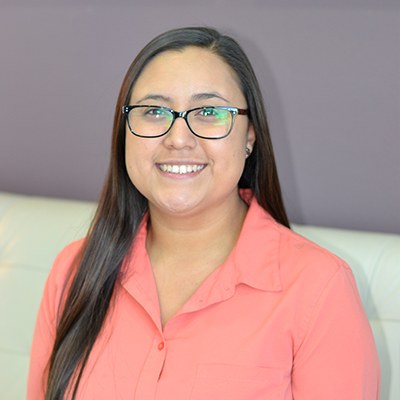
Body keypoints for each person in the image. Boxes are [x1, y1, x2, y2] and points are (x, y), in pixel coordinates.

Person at [27, 27, 380, 399]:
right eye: (153, 111)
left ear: (250, 136)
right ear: (124, 132)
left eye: (210, 111)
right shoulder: (73, 272)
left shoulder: (318, 288)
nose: (178, 138)